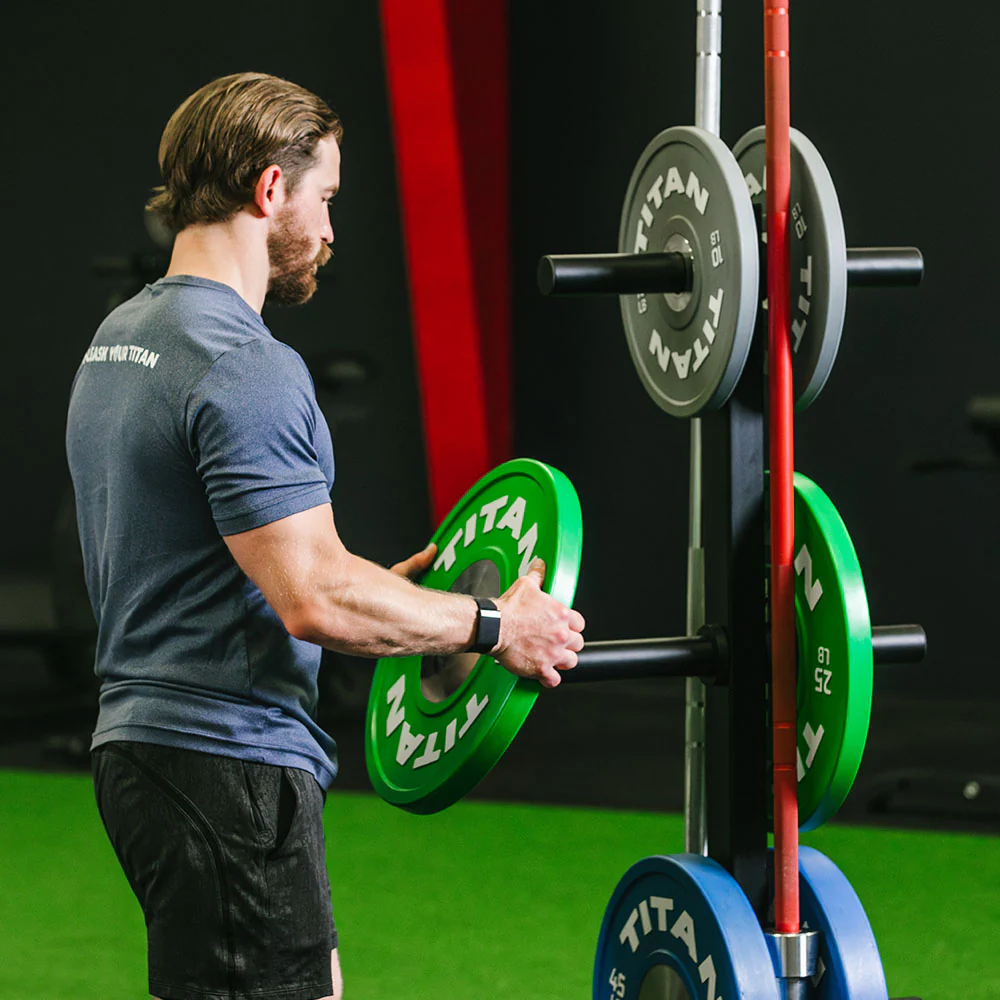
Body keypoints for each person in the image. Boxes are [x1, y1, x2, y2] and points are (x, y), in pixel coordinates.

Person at [65, 72, 585, 1000]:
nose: (333, 230)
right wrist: (495, 625)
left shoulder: (121, 340)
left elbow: (216, 567)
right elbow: (310, 598)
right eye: (326, 198)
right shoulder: (247, 364)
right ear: (271, 190)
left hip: (145, 758)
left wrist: (385, 594)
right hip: (228, 761)